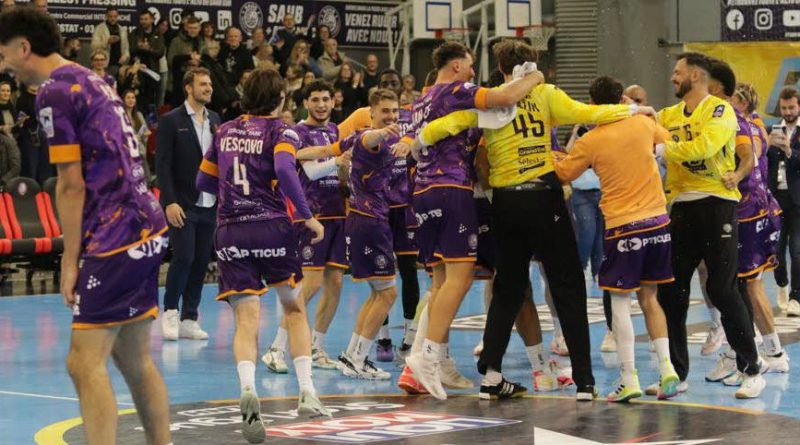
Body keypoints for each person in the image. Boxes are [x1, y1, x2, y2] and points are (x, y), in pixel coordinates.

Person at [411, 39, 655, 401]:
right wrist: (634, 111)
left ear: (502, 68)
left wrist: (416, 140)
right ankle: (585, 383)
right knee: (568, 286)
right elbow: (591, 114)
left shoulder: (491, 99)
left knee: (508, 289)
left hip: (506, 203)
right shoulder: (546, 93)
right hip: (544, 198)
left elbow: (451, 124)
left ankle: (491, 372)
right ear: (531, 66)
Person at [0, 7, 172, 444]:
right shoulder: (90, 78)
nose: (3, 66)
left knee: (82, 362)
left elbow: (71, 186)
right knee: (134, 360)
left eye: (3, 54)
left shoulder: (53, 93)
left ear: (24, 48)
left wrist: (70, 261)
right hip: (146, 225)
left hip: (115, 235)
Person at [393, 40, 547, 401]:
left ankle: (436, 361)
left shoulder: (420, 101)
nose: (474, 72)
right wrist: (536, 75)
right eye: (471, 65)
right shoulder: (455, 91)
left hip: (424, 192)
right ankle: (424, 358)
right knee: (461, 279)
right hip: (451, 188)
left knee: (441, 280)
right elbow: (504, 98)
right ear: (457, 66)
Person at [196, 67, 331, 444]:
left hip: (230, 231)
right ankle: (307, 393)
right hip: (271, 227)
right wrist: (307, 217)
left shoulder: (223, 132)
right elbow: (286, 172)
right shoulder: (281, 130)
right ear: (280, 99)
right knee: (293, 308)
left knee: (246, 318)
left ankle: (247, 389)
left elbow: (202, 182)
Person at [553, 76, 680, 402]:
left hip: (624, 226)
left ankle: (628, 377)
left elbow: (565, 173)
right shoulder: (642, 124)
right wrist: (644, 113)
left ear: (593, 105)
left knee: (620, 301)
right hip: (658, 221)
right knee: (651, 298)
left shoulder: (591, 139)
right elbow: (669, 144)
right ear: (622, 99)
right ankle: (667, 369)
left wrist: (548, 154)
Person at [656, 52, 765, 399]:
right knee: (671, 291)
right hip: (681, 207)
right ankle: (676, 373)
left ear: (697, 77)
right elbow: (648, 131)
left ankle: (752, 368)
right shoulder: (668, 114)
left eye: (678, 72)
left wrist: (665, 150)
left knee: (721, 287)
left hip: (717, 204)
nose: (673, 77)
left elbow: (704, 148)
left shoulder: (721, 111)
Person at [297, 89, 411, 379]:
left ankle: (352, 357)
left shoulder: (354, 138)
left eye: (394, 111)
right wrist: (384, 133)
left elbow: (325, 151)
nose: (391, 117)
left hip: (366, 221)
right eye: (384, 111)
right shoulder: (367, 137)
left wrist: (295, 154)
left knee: (378, 294)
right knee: (388, 294)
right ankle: (356, 358)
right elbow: (369, 139)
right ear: (371, 113)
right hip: (370, 223)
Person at [262, 79, 351, 373]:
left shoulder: (335, 130)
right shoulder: (297, 132)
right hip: (311, 215)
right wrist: (337, 159)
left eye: (326, 99)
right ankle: (276, 348)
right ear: (306, 103)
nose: (322, 104)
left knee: (335, 282)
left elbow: (339, 171)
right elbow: (309, 171)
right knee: (310, 285)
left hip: (338, 212)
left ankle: (316, 347)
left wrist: (347, 173)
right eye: (315, 99)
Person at [155, 67, 221, 341]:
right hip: (182, 203)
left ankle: (189, 318)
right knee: (184, 257)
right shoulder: (171, 120)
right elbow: (163, 164)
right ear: (188, 87)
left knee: (202, 260)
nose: (208, 88)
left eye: (210, 84)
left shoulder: (216, 119)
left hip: (210, 203)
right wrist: (169, 201)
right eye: (203, 84)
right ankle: (170, 311)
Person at [768, 86, 800, 316]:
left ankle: (796, 297)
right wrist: (767, 145)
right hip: (776, 198)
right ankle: (782, 284)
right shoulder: (773, 129)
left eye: (791, 107)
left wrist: (790, 151)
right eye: (784, 108)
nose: (787, 112)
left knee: (796, 250)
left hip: (798, 200)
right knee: (776, 251)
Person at [122, 89, 152, 182]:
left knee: (147, 179)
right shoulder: (121, 116)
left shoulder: (139, 115)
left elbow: (145, 131)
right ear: (123, 100)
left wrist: (146, 134)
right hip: (128, 153)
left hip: (140, 151)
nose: (131, 100)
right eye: (128, 98)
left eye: (133, 98)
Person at [91, 7, 129, 76]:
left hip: (119, 65)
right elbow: (94, 46)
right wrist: (107, 42)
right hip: (103, 64)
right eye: (110, 16)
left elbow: (126, 48)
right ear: (106, 16)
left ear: (118, 16)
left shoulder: (122, 30)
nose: (113, 18)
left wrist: (125, 56)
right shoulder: (99, 28)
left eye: (115, 16)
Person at [128, 9, 166, 74]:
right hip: (137, 69)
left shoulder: (158, 34)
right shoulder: (134, 33)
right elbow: (130, 50)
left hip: (153, 69)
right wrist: (139, 47)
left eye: (146, 19)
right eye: (141, 19)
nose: (143, 21)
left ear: (152, 20)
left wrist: (149, 48)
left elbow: (160, 52)